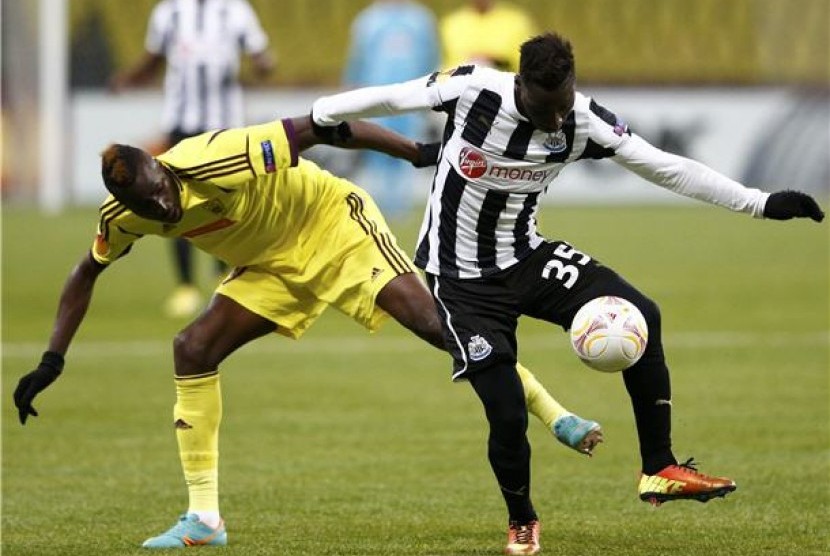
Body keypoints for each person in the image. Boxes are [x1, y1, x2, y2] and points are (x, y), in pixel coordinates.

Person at [311, 31, 826, 555]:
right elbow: (396, 96)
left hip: (527, 257)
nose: (557, 120)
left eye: (563, 106)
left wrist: (758, 203)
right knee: (508, 412)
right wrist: (323, 111)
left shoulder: (581, 119)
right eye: (545, 108)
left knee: (641, 313)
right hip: (459, 278)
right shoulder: (474, 91)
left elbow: (666, 167)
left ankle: (659, 468)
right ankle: (522, 520)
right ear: (521, 86)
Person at [13, 114, 603, 549]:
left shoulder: (219, 155)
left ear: (163, 166)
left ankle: (557, 415)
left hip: (331, 224)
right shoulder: (123, 216)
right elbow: (84, 273)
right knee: (192, 348)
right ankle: (204, 520)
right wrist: (52, 360)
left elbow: (324, 125)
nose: (162, 206)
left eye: (162, 189)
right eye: (148, 203)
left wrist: (416, 151)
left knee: (440, 328)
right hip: (271, 264)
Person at [110, 0, 275, 319]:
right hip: (180, 123)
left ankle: (222, 275)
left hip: (224, 124)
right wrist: (128, 78)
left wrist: (263, 64)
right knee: (173, 202)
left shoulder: (235, 10)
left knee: (227, 199)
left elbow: (260, 54)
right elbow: (153, 59)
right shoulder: (169, 12)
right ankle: (185, 286)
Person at [343, 0, 440, 218]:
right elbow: (356, 61)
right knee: (376, 148)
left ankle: (401, 208)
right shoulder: (368, 20)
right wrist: (350, 92)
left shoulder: (421, 19)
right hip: (375, 98)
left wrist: (434, 94)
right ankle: (377, 206)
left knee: (409, 148)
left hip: (412, 99)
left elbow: (432, 58)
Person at [439, 0, 535, 72]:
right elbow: (441, 66)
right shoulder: (450, 23)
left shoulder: (516, 21)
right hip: (457, 90)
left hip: (503, 90)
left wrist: (496, 61)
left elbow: (527, 65)